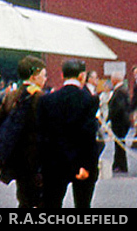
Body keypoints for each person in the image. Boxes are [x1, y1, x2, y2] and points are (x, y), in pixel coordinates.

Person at [37, 58, 99, 209]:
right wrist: (87, 164)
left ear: (62, 75)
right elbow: (89, 135)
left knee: (51, 204)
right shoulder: (89, 100)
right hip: (80, 161)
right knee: (83, 204)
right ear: (82, 76)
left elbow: (41, 134)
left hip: (54, 162)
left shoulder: (47, 100)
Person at [0, 55, 47, 209]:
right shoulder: (39, 97)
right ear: (34, 76)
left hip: (16, 155)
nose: (45, 79)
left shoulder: (11, 95)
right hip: (36, 157)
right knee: (40, 199)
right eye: (43, 75)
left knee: (23, 198)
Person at [107, 77, 130, 173]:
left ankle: (120, 164)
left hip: (120, 122)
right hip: (121, 121)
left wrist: (111, 116)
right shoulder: (121, 90)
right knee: (119, 143)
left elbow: (119, 107)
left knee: (119, 143)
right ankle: (119, 164)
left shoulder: (120, 91)